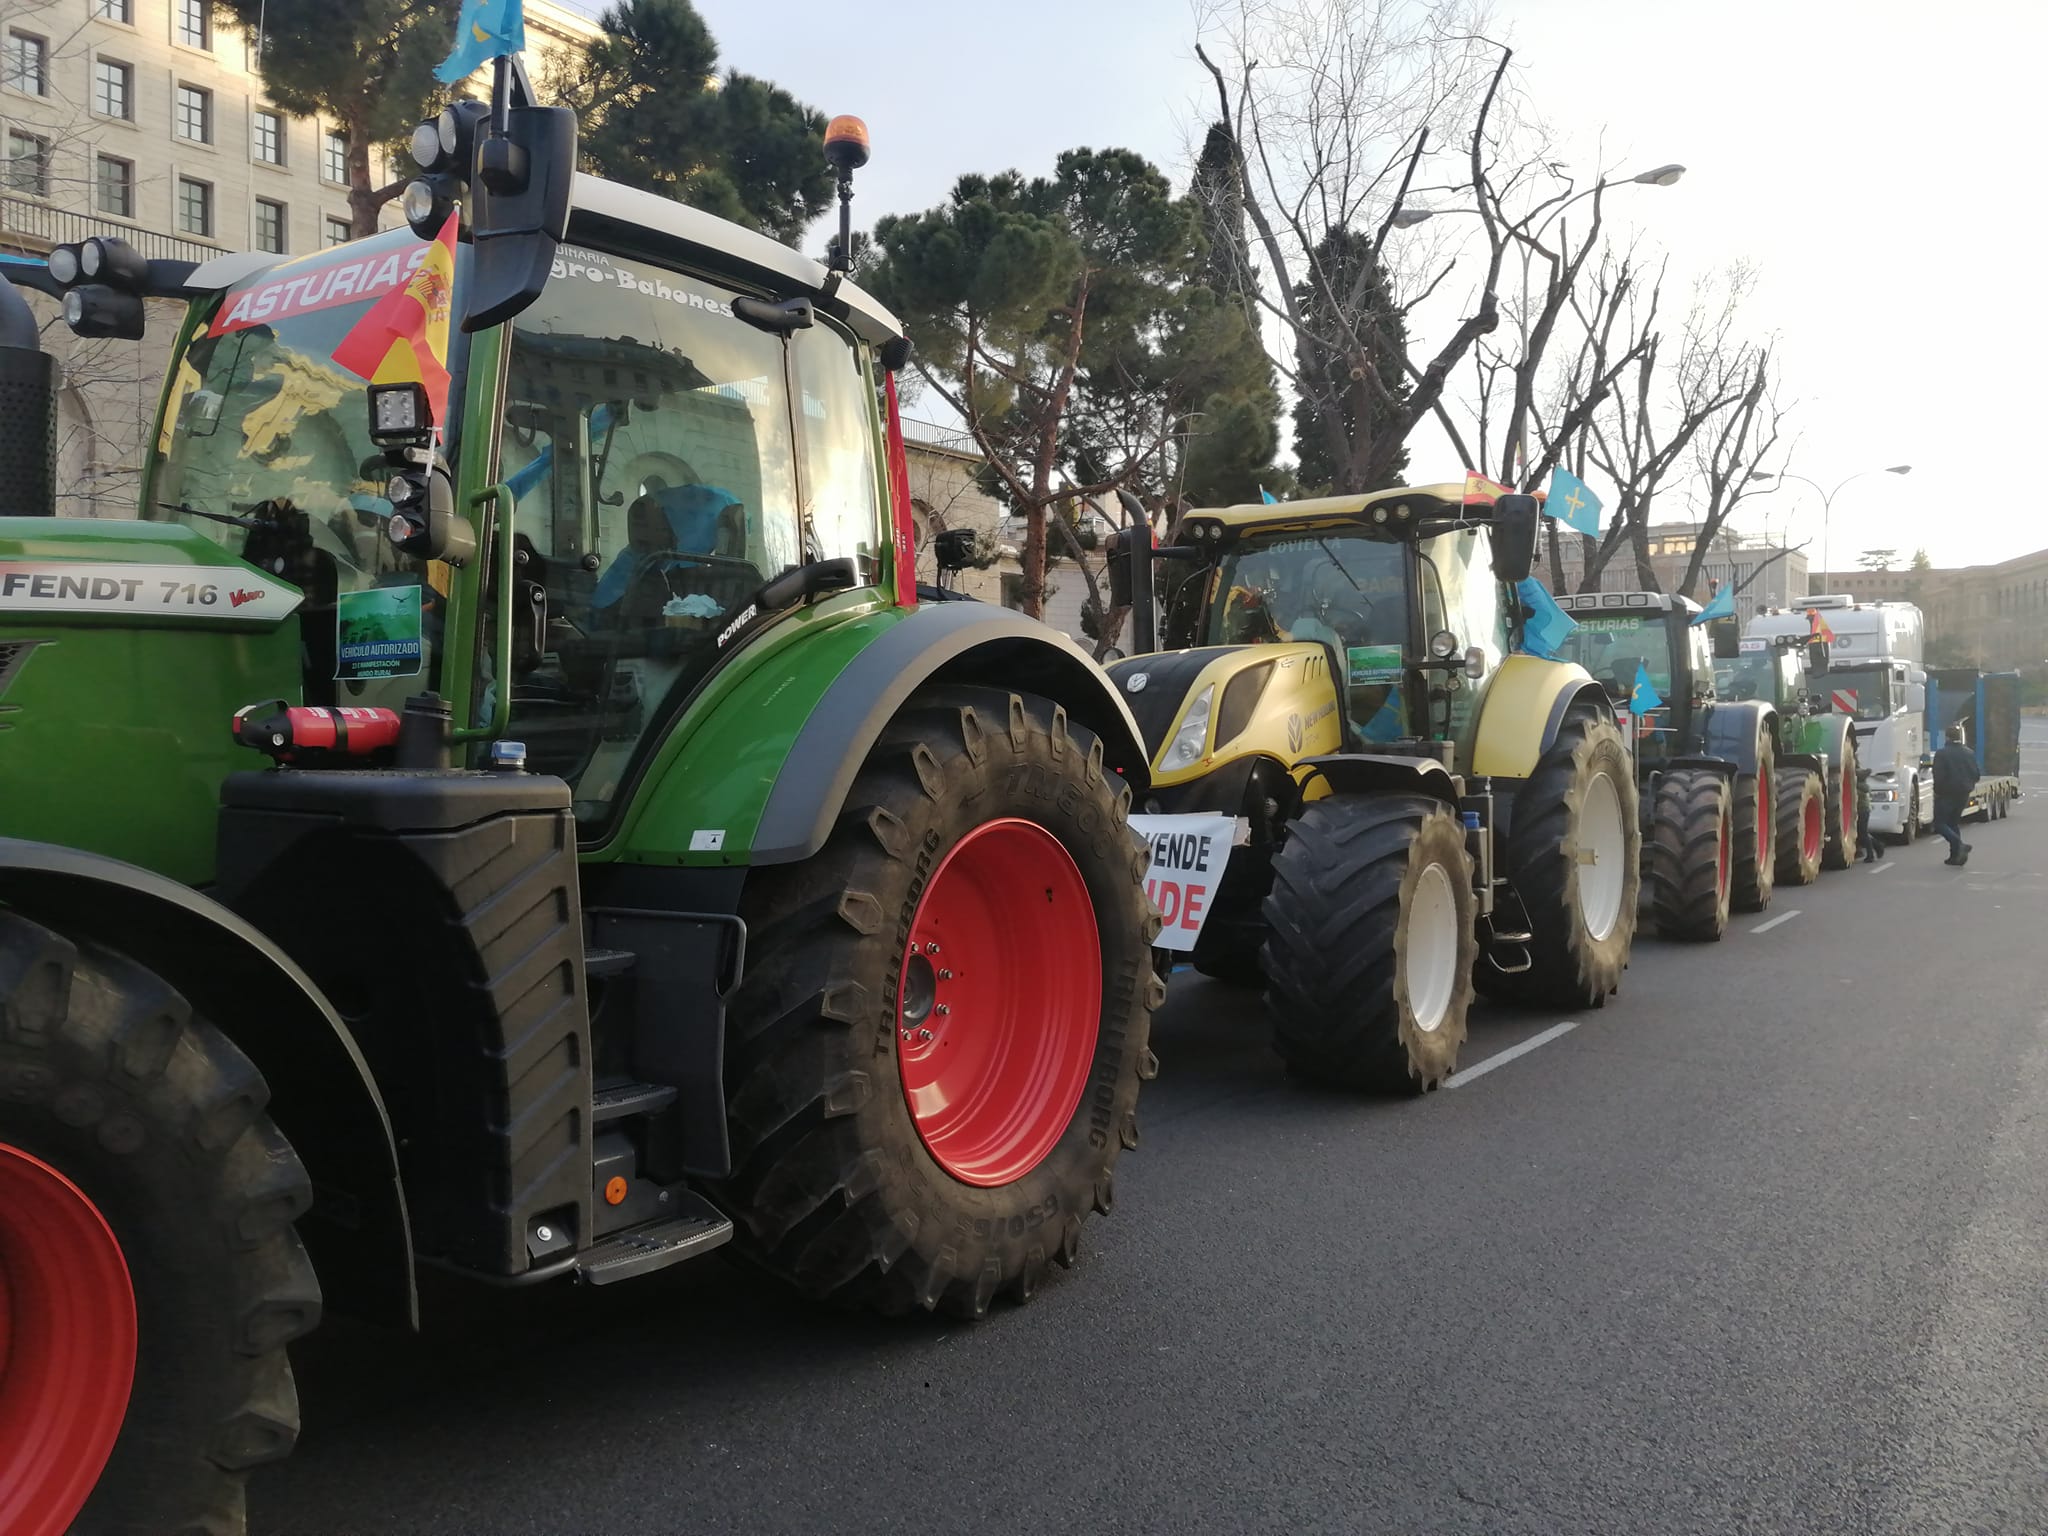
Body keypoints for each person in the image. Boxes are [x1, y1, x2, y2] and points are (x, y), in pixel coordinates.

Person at [1930, 722, 1980, 866]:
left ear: (1946, 737)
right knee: (1953, 823)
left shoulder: (1941, 754)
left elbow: (1938, 776)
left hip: (1946, 793)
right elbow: (1976, 774)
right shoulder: (1969, 753)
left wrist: (1937, 791)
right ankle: (1955, 856)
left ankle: (1959, 845)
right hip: (1964, 793)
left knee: (1939, 824)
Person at [1855, 767, 1885, 863]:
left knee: (1863, 834)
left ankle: (1870, 854)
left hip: (1862, 811)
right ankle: (1878, 846)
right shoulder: (1862, 786)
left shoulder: (1857, 787)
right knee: (1863, 833)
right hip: (1864, 811)